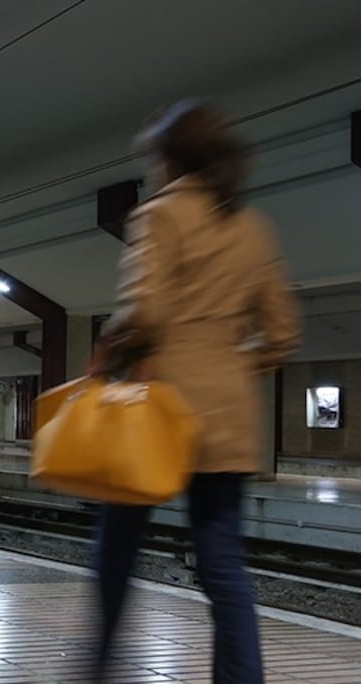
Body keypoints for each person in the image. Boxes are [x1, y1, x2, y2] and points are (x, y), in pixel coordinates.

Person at [90, 99, 301, 682]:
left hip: (157, 412)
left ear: (170, 160)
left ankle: (97, 669)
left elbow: (148, 312)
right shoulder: (253, 227)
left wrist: (111, 345)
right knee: (222, 564)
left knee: (116, 551)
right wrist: (231, 368)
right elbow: (283, 333)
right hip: (227, 422)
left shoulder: (160, 215)